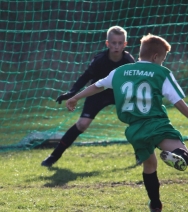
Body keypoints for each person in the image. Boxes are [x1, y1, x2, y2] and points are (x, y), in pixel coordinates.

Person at [66, 34, 188, 212]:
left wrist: (76, 97)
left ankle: (155, 205)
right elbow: (177, 101)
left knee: (149, 166)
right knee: (185, 157)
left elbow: (98, 86)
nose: (163, 64)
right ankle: (172, 155)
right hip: (157, 124)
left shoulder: (121, 71)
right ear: (156, 57)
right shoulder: (161, 73)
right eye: (163, 60)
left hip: (134, 130)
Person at [41, 26, 137, 167]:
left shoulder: (128, 61)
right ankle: (53, 156)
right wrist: (72, 92)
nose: (116, 46)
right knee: (82, 124)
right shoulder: (100, 59)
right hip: (97, 93)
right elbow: (86, 76)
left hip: (118, 94)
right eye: (113, 43)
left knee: (135, 121)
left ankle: (140, 155)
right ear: (107, 43)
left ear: (125, 44)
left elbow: (135, 81)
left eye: (120, 43)